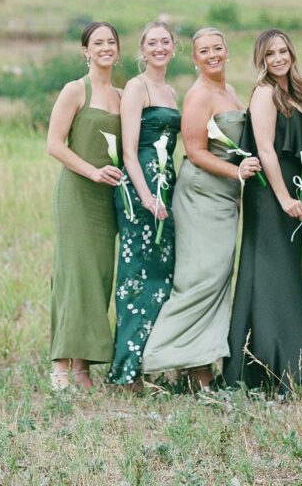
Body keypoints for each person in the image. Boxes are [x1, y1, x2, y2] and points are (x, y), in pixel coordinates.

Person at [143, 28, 260, 390]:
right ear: (194, 59)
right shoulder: (199, 95)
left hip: (225, 196)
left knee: (219, 276)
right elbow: (195, 151)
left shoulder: (231, 91)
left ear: (227, 51)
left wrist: (237, 186)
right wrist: (236, 172)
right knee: (200, 277)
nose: (212, 55)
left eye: (217, 48)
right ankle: (159, 355)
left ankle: (197, 363)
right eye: (204, 51)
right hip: (201, 194)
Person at [224, 29, 302, 392]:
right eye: (270, 54)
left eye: (283, 51)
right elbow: (265, 149)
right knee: (268, 274)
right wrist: (284, 198)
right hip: (270, 194)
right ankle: (267, 365)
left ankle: (287, 363)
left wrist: (300, 194)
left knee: (285, 275)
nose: (278, 58)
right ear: (261, 60)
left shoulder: (295, 92)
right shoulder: (264, 93)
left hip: (292, 190)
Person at [47, 21, 123, 390]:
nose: (105, 47)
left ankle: (83, 366)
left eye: (111, 42)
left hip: (109, 197)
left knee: (99, 276)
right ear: (86, 51)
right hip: (78, 192)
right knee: (74, 274)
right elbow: (54, 144)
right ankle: (61, 363)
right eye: (98, 43)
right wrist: (92, 172)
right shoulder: (75, 90)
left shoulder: (124, 96)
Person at [108, 21, 181, 388]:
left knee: (162, 276)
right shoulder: (137, 87)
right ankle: (125, 369)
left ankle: (149, 360)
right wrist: (146, 197)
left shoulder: (171, 91)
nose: (159, 47)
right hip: (140, 190)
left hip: (166, 186)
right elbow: (129, 151)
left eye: (165, 41)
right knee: (137, 275)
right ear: (142, 49)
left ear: (174, 47)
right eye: (152, 42)